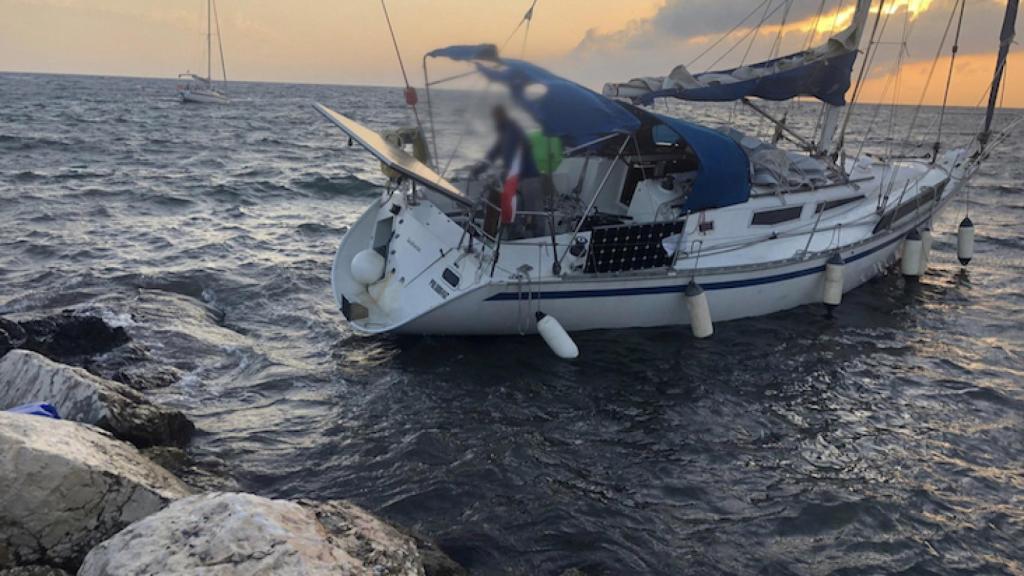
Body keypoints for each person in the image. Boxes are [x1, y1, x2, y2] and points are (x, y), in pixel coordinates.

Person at [473, 106, 542, 236]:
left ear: (502, 116)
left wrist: (505, 174)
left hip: (529, 178)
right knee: (516, 209)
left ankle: (541, 240)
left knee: (534, 213)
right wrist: (480, 169)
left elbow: (513, 155)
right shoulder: (504, 132)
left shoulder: (513, 131)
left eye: (497, 117)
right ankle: (515, 235)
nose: (495, 120)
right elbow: (493, 153)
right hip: (516, 179)